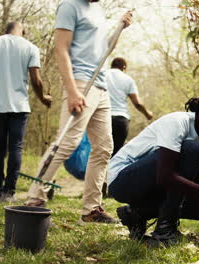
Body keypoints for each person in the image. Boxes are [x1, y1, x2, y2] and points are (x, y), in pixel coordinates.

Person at [24, 0, 132, 224]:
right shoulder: (69, 7)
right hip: (81, 82)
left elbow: (105, 50)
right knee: (67, 142)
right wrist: (72, 90)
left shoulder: (98, 11)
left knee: (104, 147)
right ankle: (34, 201)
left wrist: (120, 27)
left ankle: (91, 210)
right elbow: (61, 48)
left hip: (101, 87)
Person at [108, 94, 199, 247]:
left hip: (152, 187)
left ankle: (137, 214)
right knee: (191, 149)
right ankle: (164, 232)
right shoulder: (178, 122)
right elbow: (165, 177)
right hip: (123, 181)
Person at [0, 22, 52, 203]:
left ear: (6, 30)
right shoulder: (30, 47)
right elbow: (36, 80)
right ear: (22, 31)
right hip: (19, 107)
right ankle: (10, 192)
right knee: (15, 147)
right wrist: (43, 98)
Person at [106, 57, 153, 157]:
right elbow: (137, 103)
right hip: (121, 120)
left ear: (112, 65)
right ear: (124, 67)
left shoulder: (103, 75)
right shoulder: (127, 79)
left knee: (100, 151)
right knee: (116, 154)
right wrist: (147, 113)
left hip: (103, 117)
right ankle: (112, 172)